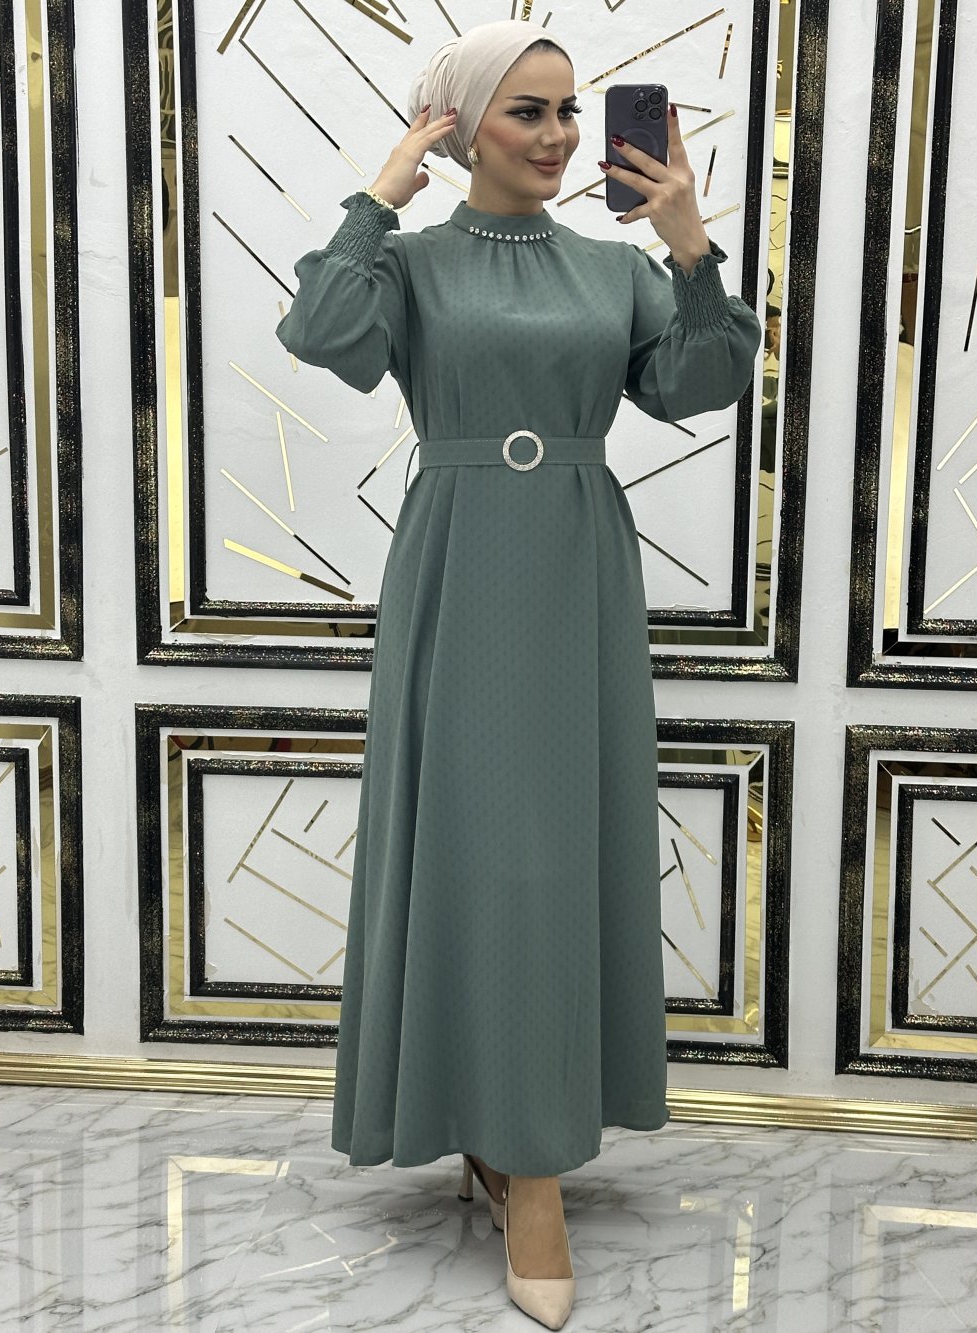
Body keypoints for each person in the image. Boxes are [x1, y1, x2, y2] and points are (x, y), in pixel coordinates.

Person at [275, 19, 761, 1329]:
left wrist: (689, 245)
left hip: (578, 568)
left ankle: (526, 1147)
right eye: (527, 111)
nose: (557, 135)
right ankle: (507, 1148)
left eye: (568, 111)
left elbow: (703, 380)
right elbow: (321, 331)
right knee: (479, 847)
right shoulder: (412, 263)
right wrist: (384, 189)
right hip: (457, 562)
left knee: (552, 850)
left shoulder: (611, 266)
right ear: (462, 122)